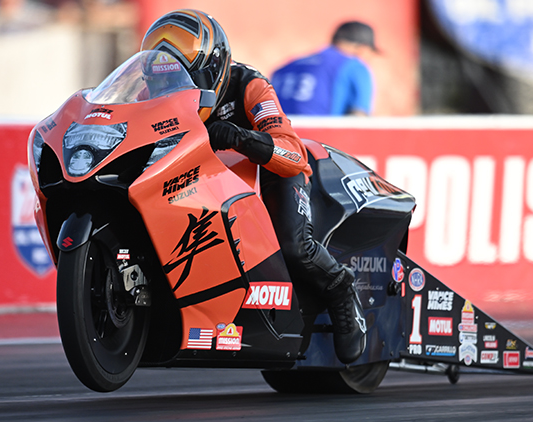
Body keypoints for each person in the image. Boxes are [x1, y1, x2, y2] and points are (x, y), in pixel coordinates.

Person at [140, 9, 366, 364]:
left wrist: (241, 137)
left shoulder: (249, 85)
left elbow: (294, 153)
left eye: (182, 76)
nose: (173, 86)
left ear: (210, 67)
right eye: (165, 78)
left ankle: (341, 289)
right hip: (199, 179)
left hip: (267, 171)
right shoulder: (148, 93)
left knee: (294, 247)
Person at [271, 21, 377, 116]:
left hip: (275, 130)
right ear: (362, 49)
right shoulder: (354, 66)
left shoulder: (285, 67)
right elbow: (359, 117)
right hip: (317, 131)